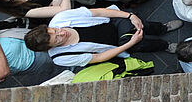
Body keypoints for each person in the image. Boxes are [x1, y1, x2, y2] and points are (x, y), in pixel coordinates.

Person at [25, 7, 177, 66]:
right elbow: (98, 58)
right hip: (116, 44)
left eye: (55, 30)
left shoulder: (60, 19)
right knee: (141, 44)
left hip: (112, 24)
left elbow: (98, 12)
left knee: (139, 25)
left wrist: (130, 15)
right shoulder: (61, 58)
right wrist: (129, 44)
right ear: (51, 47)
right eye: (57, 39)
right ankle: (165, 46)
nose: (61, 32)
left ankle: (163, 28)